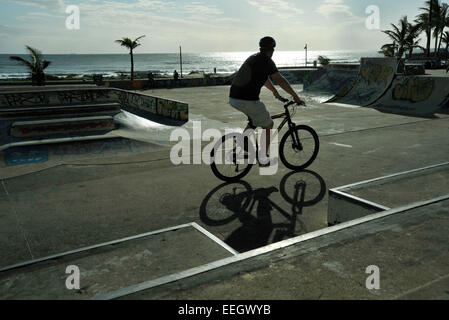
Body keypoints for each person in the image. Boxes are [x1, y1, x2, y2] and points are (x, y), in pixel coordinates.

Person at [229, 36, 305, 167]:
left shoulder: (254, 58)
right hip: (247, 100)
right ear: (272, 49)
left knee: (255, 119)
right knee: (269, 125)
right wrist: (295, 97)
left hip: (234, 98)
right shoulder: (267, 61)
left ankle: (244, 140)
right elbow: (280, 79)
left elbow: (264, 79)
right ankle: (262, 157)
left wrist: (275, 92)